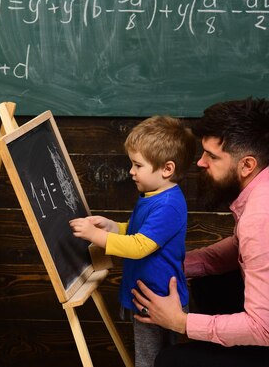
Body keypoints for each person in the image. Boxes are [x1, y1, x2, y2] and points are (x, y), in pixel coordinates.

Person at [131, 98, 269, 367]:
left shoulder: (265, 218)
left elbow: (262, 329)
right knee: (207, 284)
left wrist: (180, 322)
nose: (201, 163)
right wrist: (179, 263)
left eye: (212, 156)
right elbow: (241, 248)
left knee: (170, 361)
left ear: (246, 165)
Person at [69, 115, 196, 367]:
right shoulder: (152, 195)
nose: (131, 171)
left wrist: (99, 237)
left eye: (138, 165)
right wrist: (114, 228)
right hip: (148, 297)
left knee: (152, 360)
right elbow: (141, 232)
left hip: (160, 301)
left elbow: (140, 246)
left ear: (167, 169)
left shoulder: (169, 203)